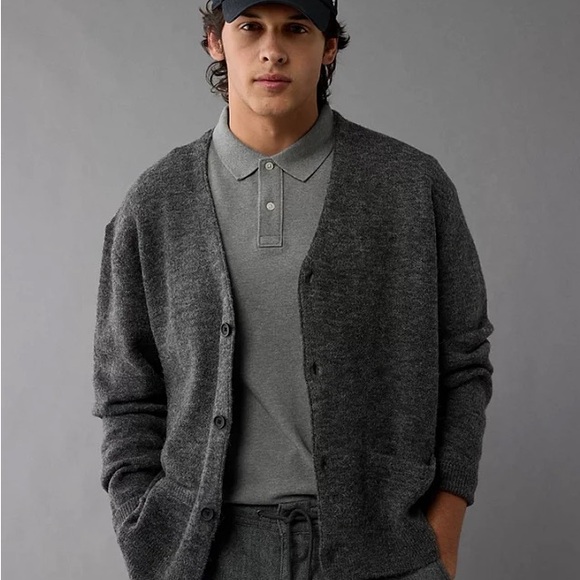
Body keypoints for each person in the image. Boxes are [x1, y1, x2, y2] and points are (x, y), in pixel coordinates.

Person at [91, 1, 495, 579]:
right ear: (215, 42)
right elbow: (127, 392)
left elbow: (463, 364)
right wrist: (145, 530)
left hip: (383, 553)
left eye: (296, 29)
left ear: (329, 47)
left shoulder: (409, 185)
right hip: (210, 556)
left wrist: (444, 534)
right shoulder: (155, 203)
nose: (272, 50)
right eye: (250, 27)